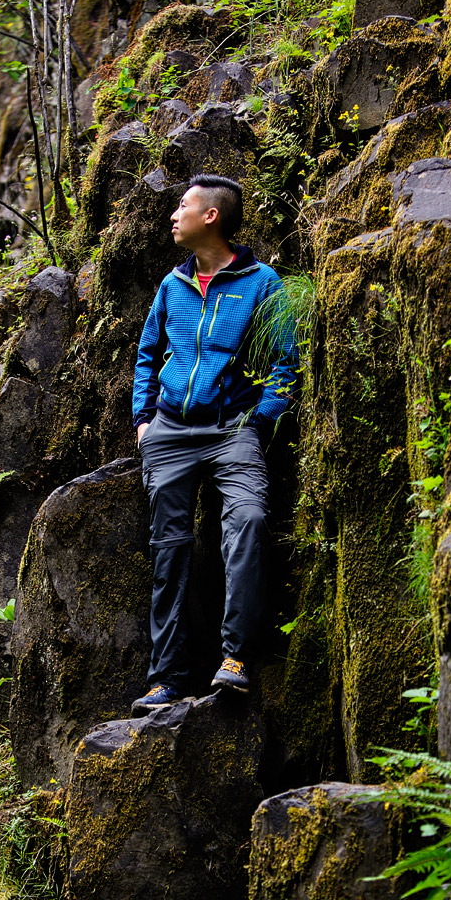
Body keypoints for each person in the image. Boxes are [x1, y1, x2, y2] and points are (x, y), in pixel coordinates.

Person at [130, 173, 298, 715]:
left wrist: (259, 419)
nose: (172, 215)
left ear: (212, 218)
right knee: (169, 549)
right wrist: (144, 419)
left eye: (183, 206)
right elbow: (147, 355)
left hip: (232, 429)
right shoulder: (170, 286)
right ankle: (166, 680)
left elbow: (285, 362)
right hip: (171, 433)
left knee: (248, 521)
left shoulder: (262, 282)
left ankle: (237, 660)